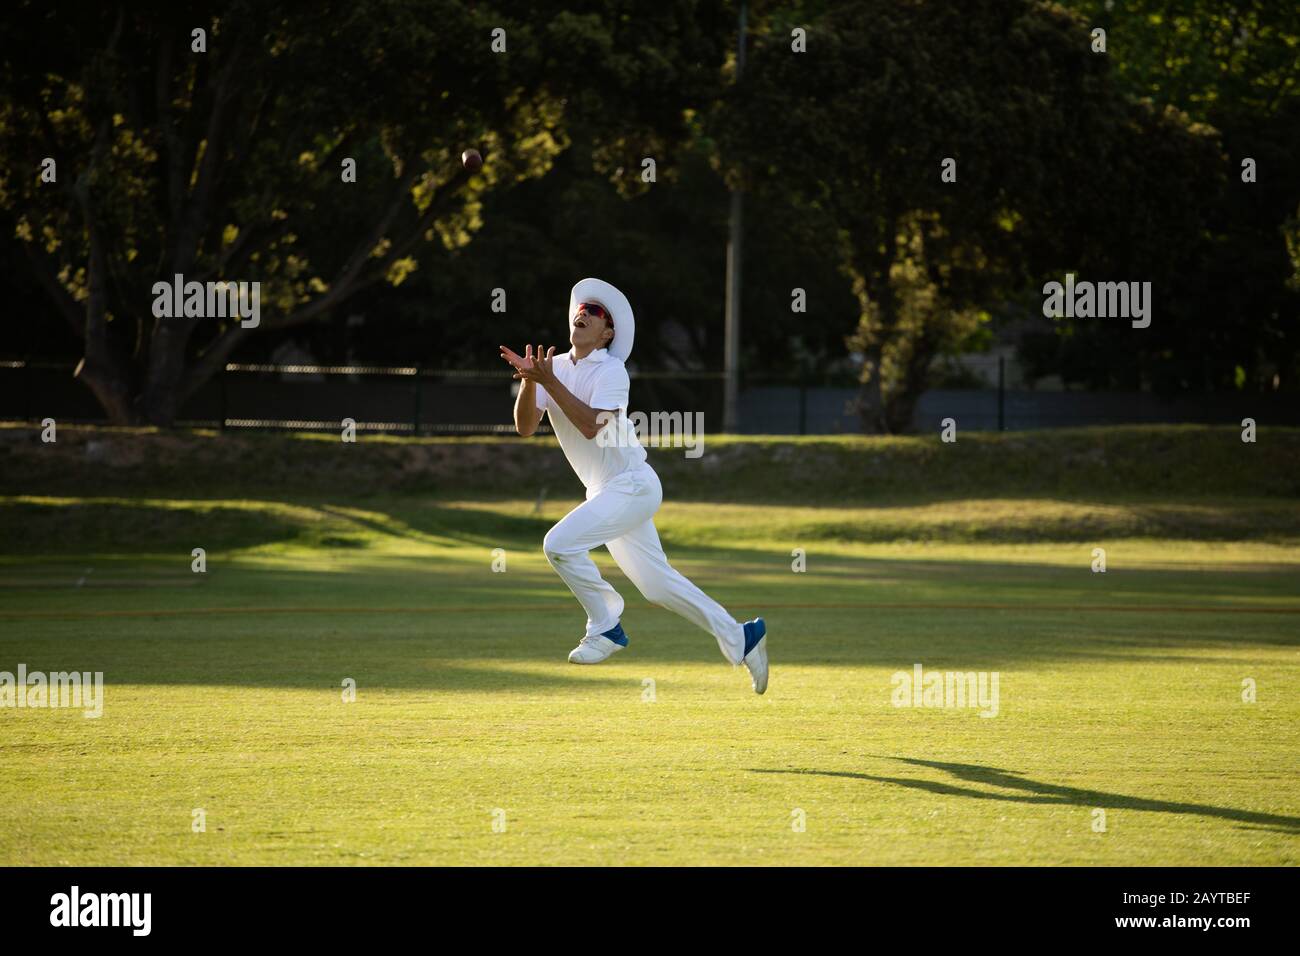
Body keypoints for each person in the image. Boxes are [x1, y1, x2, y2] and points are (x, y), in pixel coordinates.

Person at [498, 277, 769, 694]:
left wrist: (548, 381)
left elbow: (592, 426)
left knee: (558, 544)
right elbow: (525, 427)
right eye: (582, 308)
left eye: (597, 312)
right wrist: (531, 380)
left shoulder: (612, 370)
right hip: (605, 493)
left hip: (632, 485)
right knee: (658, 586)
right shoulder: (552, 371)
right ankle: (741, 637)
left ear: (607, 333)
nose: (585, 313)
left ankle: (605, 626)